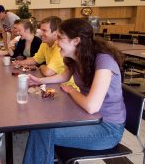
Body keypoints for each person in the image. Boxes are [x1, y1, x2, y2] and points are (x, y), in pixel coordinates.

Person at [23, 18, 126, 164]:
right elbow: (64, 75)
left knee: (43, 131)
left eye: (60, 38)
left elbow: (91, 106)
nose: (56, 42)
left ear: (76, 41)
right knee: (41, 126)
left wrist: (71, 90)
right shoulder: (77, 58)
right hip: (87, 119)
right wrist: (40, 81)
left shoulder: (104, 61)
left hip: (107, 129)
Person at [14, 16, 76, 89]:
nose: (40, 33)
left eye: (44, 30)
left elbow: (48, 72)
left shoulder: (61, 48)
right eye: (41, 30)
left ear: (55, 33)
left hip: (68, 88)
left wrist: (41, 66)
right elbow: (35, 60)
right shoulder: (44, 44)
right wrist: (19, 63)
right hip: (58, 85)